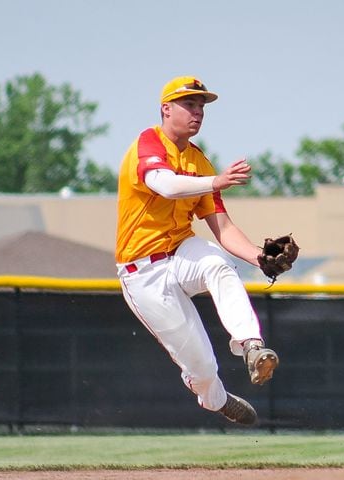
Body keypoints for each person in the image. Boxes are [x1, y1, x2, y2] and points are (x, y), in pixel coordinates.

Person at [114, 76, 278, 426]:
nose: (198, 112)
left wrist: (259, 257)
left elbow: (222, 226)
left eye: (202, 106)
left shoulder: (199, 162)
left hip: (180, 252)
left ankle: (250, 344)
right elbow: (164, 184)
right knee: (202, 367)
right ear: (166, 108)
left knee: (218, 264)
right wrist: (216, 181)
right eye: (190, 104)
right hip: (143, 274)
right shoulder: (148, 143)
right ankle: (215, 398)